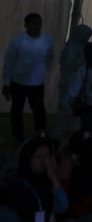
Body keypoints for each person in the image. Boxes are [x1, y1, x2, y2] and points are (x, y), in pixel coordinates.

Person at [4, 12, 54, 142]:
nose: (37, 26)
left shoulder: (47, 40)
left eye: (39, 23)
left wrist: (42, 71)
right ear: (26, 25)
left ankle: (41, 134)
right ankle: (18, 136)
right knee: (17, 110)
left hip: (37, 84)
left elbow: (50, 57)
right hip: (18, 82)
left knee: (39, 110)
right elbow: (9, 62)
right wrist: (6, 83)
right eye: (33, 23)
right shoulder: (17, 41)